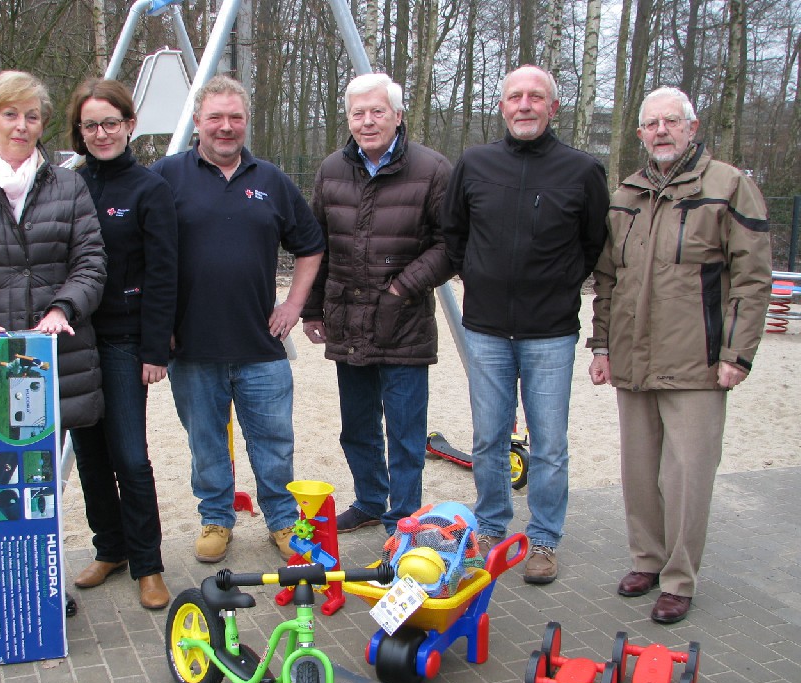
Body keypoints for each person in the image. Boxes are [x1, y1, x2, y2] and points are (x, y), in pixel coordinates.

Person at [588, 87, 772, 623]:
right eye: (651, 123)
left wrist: (737, 353)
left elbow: (752, 278)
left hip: (699, 361)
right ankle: (646, 558)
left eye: (672, 121)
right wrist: (601, 344)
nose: (661, 130)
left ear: (693, 127)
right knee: (639, 470)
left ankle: (679, 577)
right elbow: (607, 278)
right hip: (632, 358)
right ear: (640, 133)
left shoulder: (728, 185)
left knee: (688, 473)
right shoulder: (626, 193)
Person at [0, 70, 107, 616]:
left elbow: (90, 261)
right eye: (10, 114)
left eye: (32, 115)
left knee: (41, 480)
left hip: (52, 355)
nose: (22, 125)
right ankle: (0, 589)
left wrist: (64, 307)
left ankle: (42, 584)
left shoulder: (68, 184)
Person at [441, 64, 609, 584]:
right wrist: (484, 279)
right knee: (489, 439)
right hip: (487, 329)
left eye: (536, 97)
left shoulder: (581, 171)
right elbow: (454, 236)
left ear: (553, 107)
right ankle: (491, 526)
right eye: (515, 96)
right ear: (502, 106)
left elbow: (591, 246)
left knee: (549, 443)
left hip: (551, 332)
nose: (525, 105)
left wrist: (555, 284)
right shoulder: (474, 164)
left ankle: (543, 540)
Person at [151, 75, 325, 564]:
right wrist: (156, 321)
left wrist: (293, 305)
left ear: (246, 122)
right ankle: (215, 518)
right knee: (206, 445)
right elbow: (142, 253)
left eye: (235, 118)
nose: (225, 127)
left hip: (260, 347)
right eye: (215, 117)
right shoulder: (166, 177)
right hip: (191, 347)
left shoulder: (272, 181)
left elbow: (311, 246)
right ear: (197, 122)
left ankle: (283, 521)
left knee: (273, 444)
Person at [303, 73, 453, 536]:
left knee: (406, 434)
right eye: (358, 113)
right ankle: (370, 499)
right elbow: (317, 244)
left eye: (377, 112)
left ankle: (401, 519)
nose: (367, 122)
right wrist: (311, 308)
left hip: (403, 322)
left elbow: (451, 244)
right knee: (358, 427)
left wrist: (400, 288)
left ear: (398, 116)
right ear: (348, 118)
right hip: (348, 321)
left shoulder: (433, 170)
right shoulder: (331, 170)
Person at [63, 78, 177, 609]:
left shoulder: (150, 189)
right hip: (73, 340)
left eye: (111, 122)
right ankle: (111, 549)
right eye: (91, 125)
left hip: (126, 340)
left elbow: (163, 273)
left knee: (130, 456)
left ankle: (148, 564)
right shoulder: (67, 186)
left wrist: (156, 349)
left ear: (130, 126)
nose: (102, 132)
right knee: (88, 453)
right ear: (79, 132)